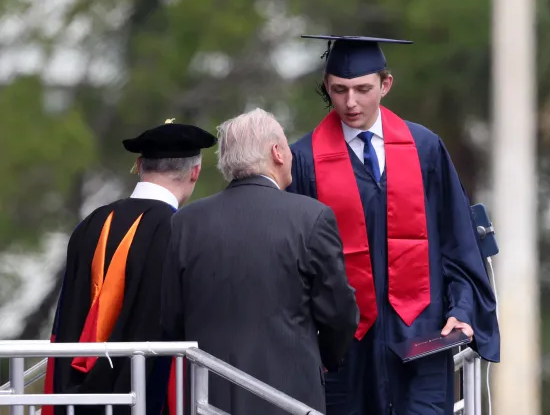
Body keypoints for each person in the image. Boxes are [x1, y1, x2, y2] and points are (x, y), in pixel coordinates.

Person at [287, 35, 501, 415]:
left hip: (420, 338)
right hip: (345, 349)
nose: (350, 102)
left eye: (362, 89)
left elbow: (457, 241)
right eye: (339, 90)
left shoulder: (424, 148)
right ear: (327, 88)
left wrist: (462, 309)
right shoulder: (304, 160)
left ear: (385, 85)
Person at [160, 108, 359, 415]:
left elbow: (171, 319)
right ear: (277, 152)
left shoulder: (185, 223)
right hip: (290, 399)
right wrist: (327, 359)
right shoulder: (312, 217)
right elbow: (339, 312)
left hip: (208, 398)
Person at [43, 119, 217, 415]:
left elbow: (65, 318)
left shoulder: (90, 224)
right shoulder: (184, 231)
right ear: (195, 172)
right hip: (147, 398)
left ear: (139, 164)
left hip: (76, 400)